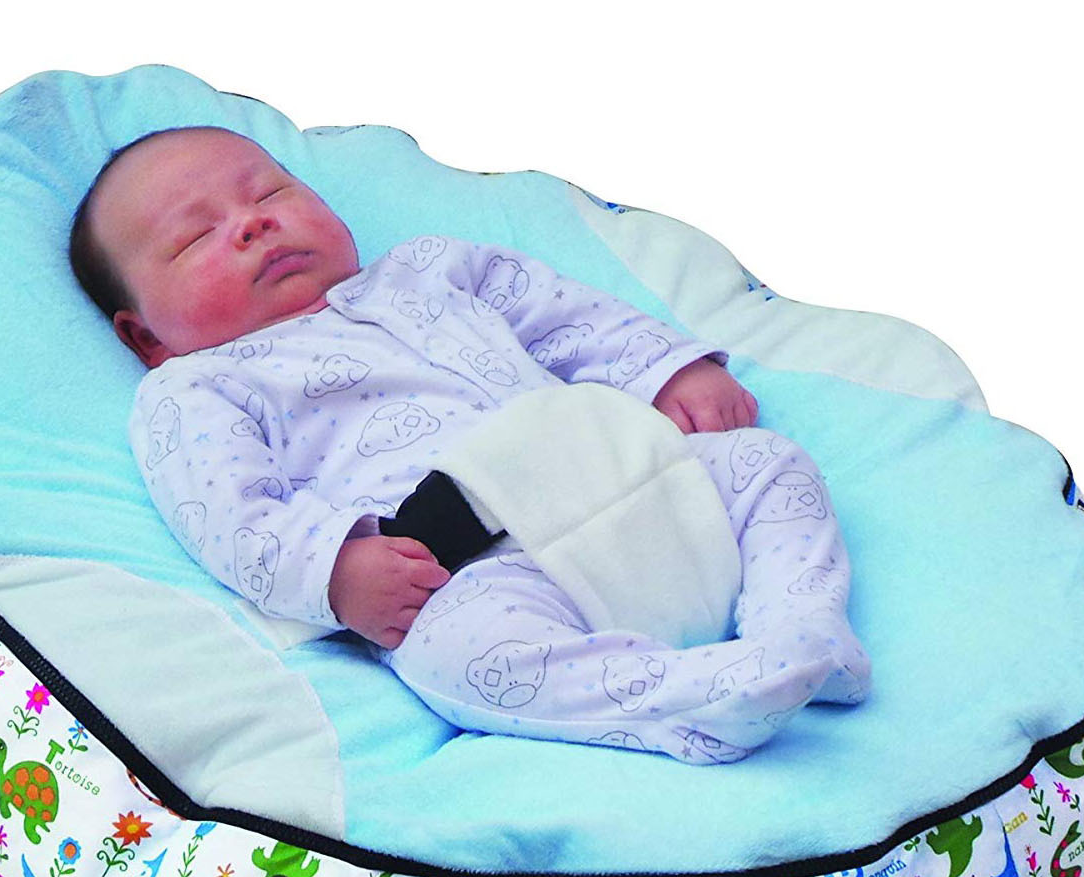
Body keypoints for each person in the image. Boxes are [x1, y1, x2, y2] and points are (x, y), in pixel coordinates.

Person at [70, 125, 870, 765]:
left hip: (625, 476)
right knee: (463, 655)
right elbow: (232, 514)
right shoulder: (195, 389)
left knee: (765, 464)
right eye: (195, 237)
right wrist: (337, 571)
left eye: (271, 192)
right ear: (145, 337)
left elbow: (566, 319)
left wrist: (665, 372)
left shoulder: (431, 269)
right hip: (468, 567)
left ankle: (800, 626)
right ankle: (691, 698)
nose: (253, 223)